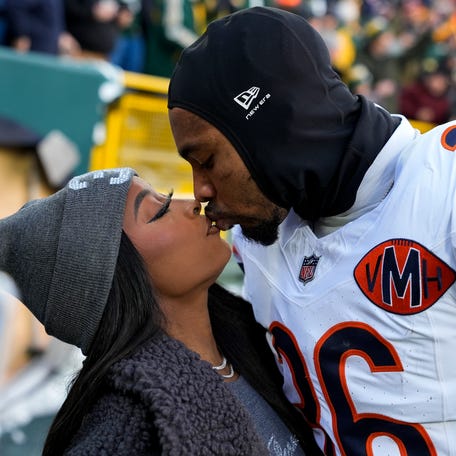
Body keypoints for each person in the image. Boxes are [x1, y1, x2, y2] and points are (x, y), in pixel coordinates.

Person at [167, 6, 456, 454]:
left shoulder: (444, 183)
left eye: (206, 160)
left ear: (271, 130)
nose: (200, 190)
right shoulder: (256, 234)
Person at [0, 167, 321, 455]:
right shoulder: (133, 423)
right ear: (116, 278)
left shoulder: (259, 341)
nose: (193, 203)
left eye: (166, 197)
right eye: (161, 210)